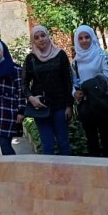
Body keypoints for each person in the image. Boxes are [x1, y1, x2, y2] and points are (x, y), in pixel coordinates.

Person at [23, 25, 73, 155]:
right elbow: (23, 83)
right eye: (36, 37)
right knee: (47, 145)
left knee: (63, 143)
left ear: (48, 36)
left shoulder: (60, 55)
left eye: (43, 35)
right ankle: (50, 169)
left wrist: (69, 105)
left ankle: (67, 168)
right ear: (33, 41)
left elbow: (68, 81)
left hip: (60, 105)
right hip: (41, 106)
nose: (41, 39)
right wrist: (31, 98)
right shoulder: (31, 59)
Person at [72, 25, 108, 158]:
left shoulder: (102, 55)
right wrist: (75, 93)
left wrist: (87, 86)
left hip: (101, 102)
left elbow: (107, 77)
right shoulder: (76, 61)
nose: (84, 40)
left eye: (87, 37)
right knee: (91, 140)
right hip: (86, 105)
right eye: (80, 38)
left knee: (106, 137)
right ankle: (96, 168)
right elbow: (74, 82)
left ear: (92, 38)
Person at [0, 40, 25, 155]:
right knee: (3, 146)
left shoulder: (15, 69)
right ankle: (12, 165)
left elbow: (21, 91)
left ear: (3, 51)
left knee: (5, 145)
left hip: (9, 112)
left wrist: (21, 111)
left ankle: (14, 165)